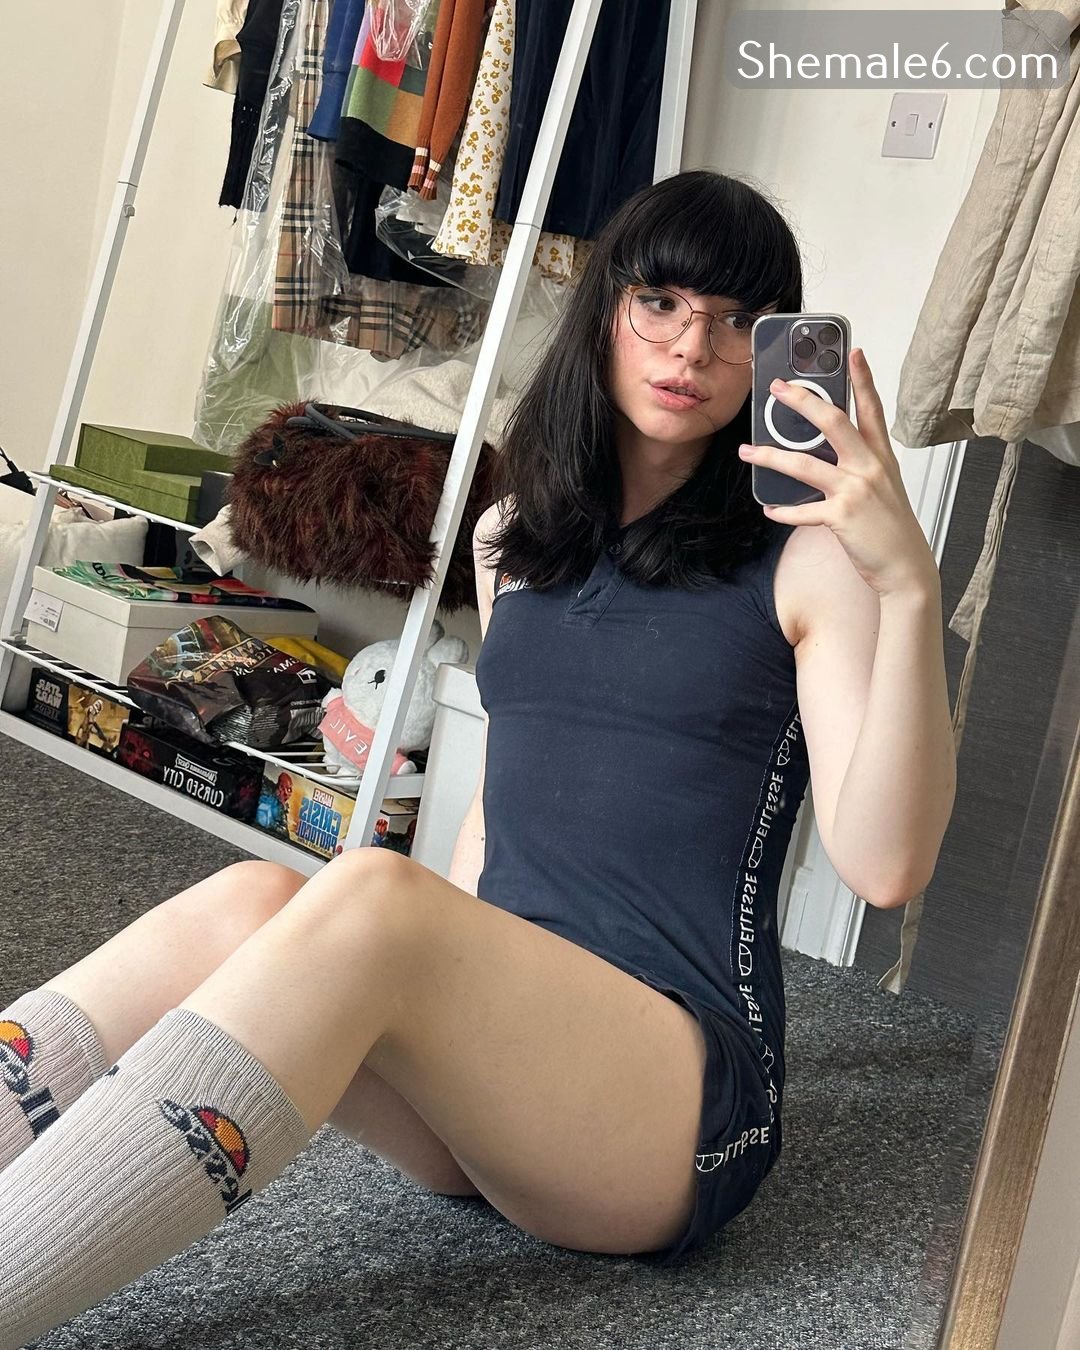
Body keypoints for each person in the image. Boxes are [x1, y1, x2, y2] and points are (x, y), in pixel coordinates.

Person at [0, 170, 956, 1344]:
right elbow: (506, 805)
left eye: (736, 320)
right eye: (659, 302)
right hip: (504, 1089)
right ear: (605, 309)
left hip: (673, 1107)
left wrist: (907, 588)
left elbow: (886, 867)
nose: (692, 347)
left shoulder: (809, 560)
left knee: (371, 895)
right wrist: (423, 974)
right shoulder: (514, 539)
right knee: (253, 901)